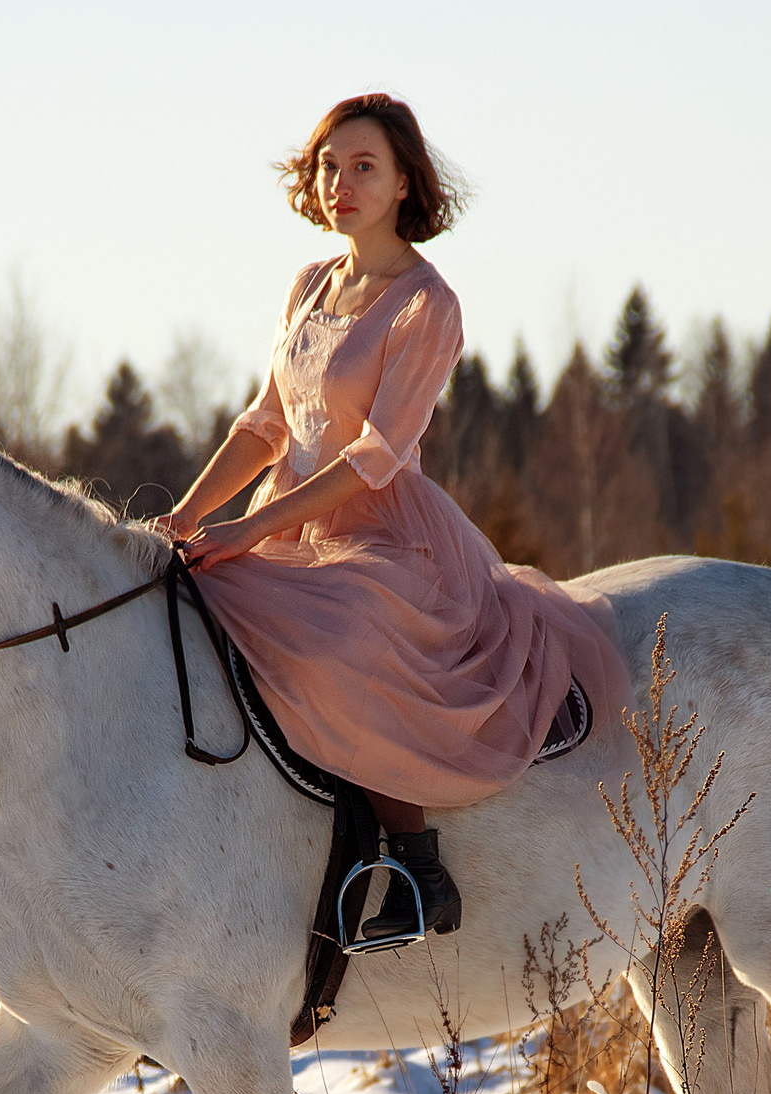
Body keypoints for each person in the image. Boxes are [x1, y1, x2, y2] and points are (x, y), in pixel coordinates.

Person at [155, 93, 629, 945]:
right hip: (287, 523)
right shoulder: (309, 285)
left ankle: (418, 867)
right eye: (328, 167)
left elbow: (376, 456)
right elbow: (267, 425)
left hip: (386, 536)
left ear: (405, 183)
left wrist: (247, 533)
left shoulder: (427, 303)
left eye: (363, 167)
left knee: (344, 639)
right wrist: (188, 515)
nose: (340, 183)